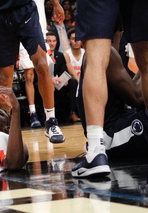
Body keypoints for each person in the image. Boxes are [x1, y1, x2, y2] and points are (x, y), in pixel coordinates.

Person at [73, 0, 148, 178]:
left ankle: (95, 152)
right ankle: (98, 148)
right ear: (122, 30)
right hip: (113, 134)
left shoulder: (101, 59)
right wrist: (140, 68)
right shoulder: (113, 56)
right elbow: (137, 97)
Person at [0, 0, 65, 143]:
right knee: (5, 78)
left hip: (26, 11)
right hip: (1, 14)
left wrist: (55, 3)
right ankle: (4, 132)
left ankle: (51, 121)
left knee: (42, 65)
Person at [46, 31, 79, 122]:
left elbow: (64, 71)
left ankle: (72, 113)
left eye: (54, 41)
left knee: (72, 82)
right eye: (49, 41)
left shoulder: (60, 55)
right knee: (37, 85)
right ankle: (45, 116)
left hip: (58, 83)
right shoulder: (41, 55)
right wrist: (50, 80)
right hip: (45, 82)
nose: (52, 43)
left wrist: (63, 79)